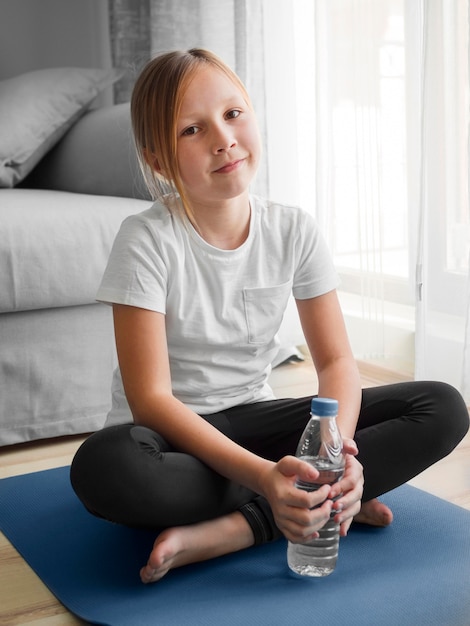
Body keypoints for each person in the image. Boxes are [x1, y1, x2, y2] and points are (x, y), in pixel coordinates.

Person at [70, 48, 469, 584]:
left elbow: (336, 362)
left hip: (258, 423)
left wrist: (335, 455)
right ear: (161, 161)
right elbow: (152, 401)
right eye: (193, 129)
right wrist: (264, 476)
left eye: (233, 114)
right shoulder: (144, 240)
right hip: (172, 440)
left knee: (441, 405)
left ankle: (250, 524)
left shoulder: (294, 229)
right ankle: (305, 506)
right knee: (104, 467)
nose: (223, 138)